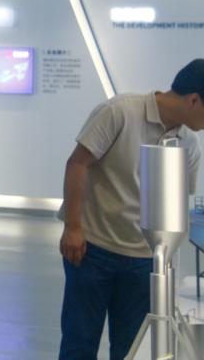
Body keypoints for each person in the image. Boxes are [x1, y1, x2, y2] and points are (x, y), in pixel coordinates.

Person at [58, 59, 204, 360]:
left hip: (143, 259)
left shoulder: (189, 144)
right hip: (92, 250)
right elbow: (77, 164)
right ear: (193, 100)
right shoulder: (119, 112)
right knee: (79, 344)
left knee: (130, 349)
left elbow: (178, 202)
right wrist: (72, 227)